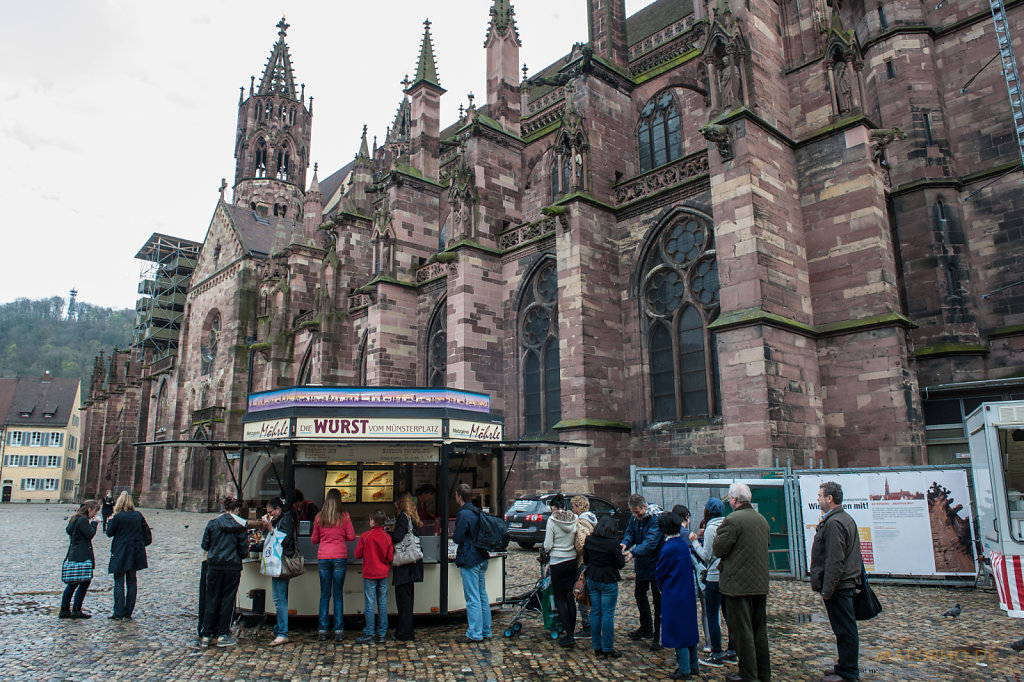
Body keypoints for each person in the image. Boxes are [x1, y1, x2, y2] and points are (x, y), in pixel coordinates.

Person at [712, 483, 771, 682]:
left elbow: (719, 549)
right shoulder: (761, 519)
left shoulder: (733, 519)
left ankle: (748, 675)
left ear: (735, 500)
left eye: (729, 498)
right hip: (759, 584)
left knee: (742, 632)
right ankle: (763, 674)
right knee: (759, 632)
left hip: (738, 585)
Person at [811, 482, 863, 682]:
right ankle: (844, 666)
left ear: (829, 498)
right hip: (843, 583)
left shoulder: (834, 523)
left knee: (845, 629)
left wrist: (827, 589)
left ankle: (848, 672)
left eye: (820, 495)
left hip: (839, 585)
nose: (818, 499)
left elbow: (835, 559)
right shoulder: (843, 518)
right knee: (843, 628)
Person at [690, 497, 737, 668]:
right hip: (728, 575)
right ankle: (732, 651)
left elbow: (706, 556)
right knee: (729, 614)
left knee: (712, 615)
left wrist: (695, 541)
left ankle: (716, 652)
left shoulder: (710, 528)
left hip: (713, 577)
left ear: (707, 511)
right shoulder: (728, 524)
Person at [657, 512, 701, 680]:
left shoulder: (668, 548)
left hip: (674, 594)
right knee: (689, 628)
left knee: (678, 631)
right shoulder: (683, 544)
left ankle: (684, 669)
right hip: (687, 592)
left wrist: (662, 587)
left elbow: (660, 572)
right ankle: (693, 665)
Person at [199, 496, 248, 647]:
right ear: (236, 509)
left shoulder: (212, 524)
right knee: (227, 600)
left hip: (214, 566)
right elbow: (243, 551)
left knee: (212, 598)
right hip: (232, 567)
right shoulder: (240, 527)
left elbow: (205, 545)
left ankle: (207, 634)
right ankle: (222, 634)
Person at [620, 493, 665, 650]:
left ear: (644, 507)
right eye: (633, 512)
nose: (635, 515)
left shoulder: (655, 518)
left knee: (658, 602)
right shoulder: (635, 518)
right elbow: (630, 533)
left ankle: (659, 635)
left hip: (656, 565)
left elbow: (651, 542)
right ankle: (646, 627)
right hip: (642, 564)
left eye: (637, 512)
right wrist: (625, 544)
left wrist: (633, 552)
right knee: (640, 595)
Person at [312, 488, 356, 642]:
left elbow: (314, 539)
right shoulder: (344, 516)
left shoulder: (319, 517)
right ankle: (338, 630)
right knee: (338, 594)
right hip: (339, 557)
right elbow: (351, 537)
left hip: (323, 557)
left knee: (324, 594)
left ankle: (323, 629)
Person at [453, 482, 492, 643]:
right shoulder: (477, 511)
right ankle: (486, 630)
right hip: (481, 556)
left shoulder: (463, 514)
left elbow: (458, 537)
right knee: (482, 595)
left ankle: (475, 633)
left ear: (459, 496)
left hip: (470, 558)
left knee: (472, 597)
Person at [583, 514, 626, 658]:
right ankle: (608, 647)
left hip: (593, 577)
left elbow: (586, 559)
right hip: (608, 579)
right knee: (607, 613)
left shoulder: (589, 539)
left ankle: (597, 647)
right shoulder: (613, 542)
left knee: (595, 612)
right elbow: (620, 564)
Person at [105, 491, 149, 621]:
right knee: (132, 581)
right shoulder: (138, 515)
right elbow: (145, 532)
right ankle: (128, 612)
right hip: (135, 552)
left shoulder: (118, 517)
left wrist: (109, 521)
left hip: (120, 551)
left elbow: (109, 533)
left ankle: (118, 612)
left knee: (119, 581)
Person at [543, 494, 579, 647]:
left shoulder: (551, 521)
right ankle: (572, 631)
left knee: (560, 598)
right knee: (570, 598)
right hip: (571, 561)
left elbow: (548, 544)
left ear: (554, 508)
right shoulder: (574, 518)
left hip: (557, 562)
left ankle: (568, 635)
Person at [355, 510, 394, 644]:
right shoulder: (387, 537)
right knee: (382, 603)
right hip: (383, 573)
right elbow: (390, 557)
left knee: (370, 604)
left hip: (369, 573)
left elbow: (357, 554)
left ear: (372, 521)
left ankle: (369, 633)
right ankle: (382, 633)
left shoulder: (365, 536)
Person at [390, 491, 424, 641]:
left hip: (404, 564)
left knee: (403, 600)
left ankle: (403, 632)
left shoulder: (402, 517)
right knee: (408, 599)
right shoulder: (413, 517)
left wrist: (388, 534)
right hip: (413, 563)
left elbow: (397, 537)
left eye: (396, 501)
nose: (394, 504)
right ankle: (407, 630)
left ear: (400, 502)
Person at [264, 497, 297, 646]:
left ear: (278, 508)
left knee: (279, 599)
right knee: (279, 597)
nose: (270, 515)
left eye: (271, 512)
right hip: (277, 561)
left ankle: (282, 632)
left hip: (282, 562)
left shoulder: (286, 520)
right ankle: (279, 629)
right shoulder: (282, 519)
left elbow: (284, 541)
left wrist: (270, 528)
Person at [60, 500, 100, 619]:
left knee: (73, 583)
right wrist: (94, 523)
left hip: (74, 553)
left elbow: (68, 531)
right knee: (84, 581)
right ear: (89, 510)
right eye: (95, 511)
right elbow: (90, 534)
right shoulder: (83, 520)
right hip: (82, 554)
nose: (95, 514)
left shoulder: (75, 518)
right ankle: (76, 609)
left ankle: (64, 609)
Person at [572, 495, 597, 637]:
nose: (573, 509)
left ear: (578, 506)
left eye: (574, 506)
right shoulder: (593, 520)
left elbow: (580, 545)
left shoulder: (581, 522)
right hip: (593, 562)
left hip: (583, 562)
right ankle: (593, 624)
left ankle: (587, 626)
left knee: (581, 594)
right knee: (592, 595)